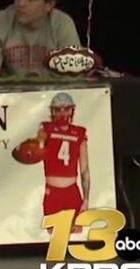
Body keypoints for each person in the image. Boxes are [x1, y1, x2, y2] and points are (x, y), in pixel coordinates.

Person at [26, 93, 91, 221]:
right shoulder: (46, 128)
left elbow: (85, 169)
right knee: (52, 236)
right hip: (52, 192)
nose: (62, 113)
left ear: (72, 110)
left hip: (72, 191)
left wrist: (86, 198)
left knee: (76, 234)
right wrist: (37, 143)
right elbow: (40, 139)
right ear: (52, 111)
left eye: (66, 109)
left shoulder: (79, 132)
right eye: (58, 110)